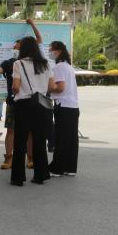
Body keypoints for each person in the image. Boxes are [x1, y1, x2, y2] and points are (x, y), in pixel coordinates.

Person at [0, 19, 42, 170]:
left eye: (19, 45)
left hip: (29, 101)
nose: (16, 47)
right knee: (11, 130)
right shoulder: (9, 62)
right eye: (15, 45)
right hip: (13, 102)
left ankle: (30, 158)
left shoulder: (32, 62)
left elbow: (39, 40)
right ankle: (9, 158)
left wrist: (33, 24)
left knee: (30, 131)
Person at [10, 36, 56, 186]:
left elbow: (16, 87)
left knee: (20, 141)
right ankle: (41, 175)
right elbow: (51, 86)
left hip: (24, 105)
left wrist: (14, 92)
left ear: (23, 48)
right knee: (39, 141)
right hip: (41, 105)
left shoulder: (18, 63)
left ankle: (18, 178)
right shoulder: (45, 64)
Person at [48, 40, 80, 176]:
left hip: (63, 105)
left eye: (51, 50)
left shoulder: (59, 67)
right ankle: (70, 168)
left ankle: (57, 168)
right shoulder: (68, 66)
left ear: (58, 51)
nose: (49, 52)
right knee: (71, 138)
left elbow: (60, 88)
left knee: (61, 138)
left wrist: (48, 87)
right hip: (73, 106)